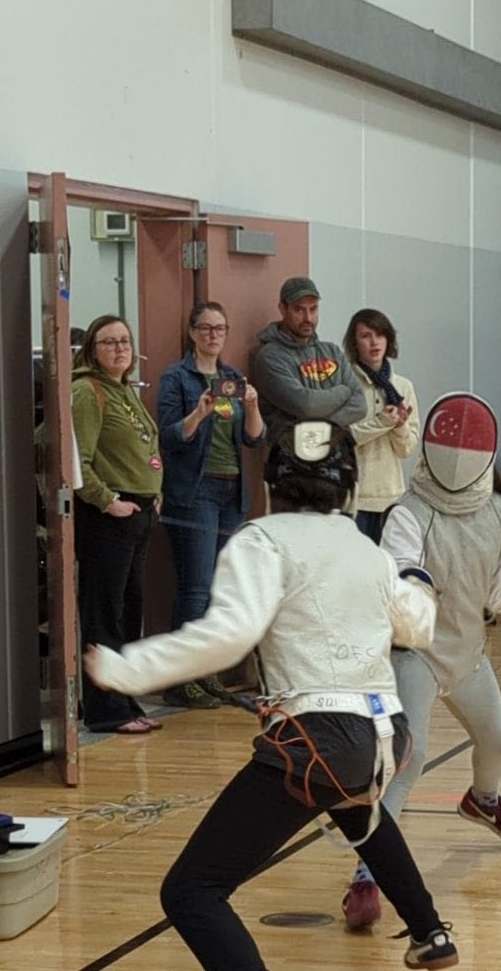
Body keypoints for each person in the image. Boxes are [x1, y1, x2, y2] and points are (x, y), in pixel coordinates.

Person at [84, 420, 458, 971]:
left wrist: (127, 669)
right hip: (386, 734)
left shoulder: (261, 539)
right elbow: (418, 628)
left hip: (323, 736)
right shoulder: (365, 546)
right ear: (346, 484)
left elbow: (229, 634)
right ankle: (430, 931)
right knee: (354, 806)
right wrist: (412, 581)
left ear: (273, 481)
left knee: (190, 890)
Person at [342, 393, 501, 932]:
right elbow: (398, 579)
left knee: (498, 742)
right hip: (415, 655)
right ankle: (367, 872)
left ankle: (484, 801)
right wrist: (410, 585)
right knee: (407, 764)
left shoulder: (498, 510)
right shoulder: (408, 513)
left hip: (467, 652)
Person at [155, 301, 267, 708]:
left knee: (219, 589)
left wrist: (252, 406)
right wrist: (199, 413)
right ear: (192, 332)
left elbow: (255, 439)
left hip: (231, 491)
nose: (213, 336)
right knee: (195, 587)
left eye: (220, 329)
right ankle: (181, 677)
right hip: (195, 492)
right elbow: (169, 437)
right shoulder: (177, 377)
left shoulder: (233, 377)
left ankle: (207, 672)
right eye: (205, 329)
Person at [72, 314, 163, 734]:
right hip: (108, 518)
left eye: (125, 341)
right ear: (93, 349)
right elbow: (78, 463)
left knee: (130, 611)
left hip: (139, 515)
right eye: (109, 342)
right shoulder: (88, 393)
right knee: (104, 612)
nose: (120, 349)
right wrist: (108, 502)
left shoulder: (125, 391)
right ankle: (105, 709)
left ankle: (126, 699)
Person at [250, 276, 366, 447]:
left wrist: (319, 430)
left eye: (313, 309)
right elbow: (307, 405)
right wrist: (343, 391)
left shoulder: (332, 351)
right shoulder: (270, 357)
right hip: (292, 460)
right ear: (282, 309)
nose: (308, 318)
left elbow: (360, 405)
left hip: (336, 460)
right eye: (299, 310)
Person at [343, 308, 420, 542]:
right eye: (365, 336)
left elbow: (406, 449)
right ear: (355, 343)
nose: (374, 342)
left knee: (389, 569)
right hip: (354, 497)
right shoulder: (346, 383)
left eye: (380, 334)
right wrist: (383, 422)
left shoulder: (403, 387)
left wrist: (399, 426)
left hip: (391, 496)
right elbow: (345, 439)